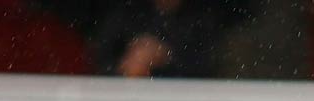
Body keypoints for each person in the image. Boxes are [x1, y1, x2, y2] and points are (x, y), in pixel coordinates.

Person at [92, 0, 222, 79]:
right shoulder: (126, 13)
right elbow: (99, 63)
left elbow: (208, 68)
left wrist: (164, 56)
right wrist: (127, 68)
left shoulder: (201, 18)